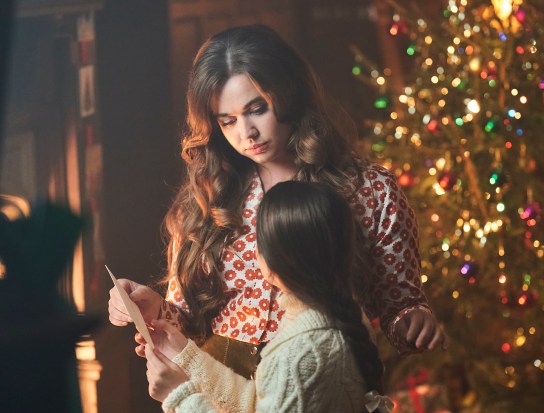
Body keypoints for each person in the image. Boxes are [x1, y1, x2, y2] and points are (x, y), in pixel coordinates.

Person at [108, 24, 447, 380]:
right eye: (228, 121)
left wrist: (413, 321)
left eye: (257, 109)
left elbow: (400, 307)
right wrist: (154, 308)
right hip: (223, 387)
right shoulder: (209, 198)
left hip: (323, 385)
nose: (246, 133)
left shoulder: (370, 191)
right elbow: (191, 322)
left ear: (289, 94)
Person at [143, 181, 394, 412]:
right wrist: (186, 355)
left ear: (269, 263)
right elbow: (261, 402)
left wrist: (180, 395)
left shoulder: (303, 349)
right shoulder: (335, 316)